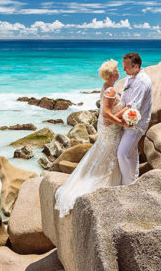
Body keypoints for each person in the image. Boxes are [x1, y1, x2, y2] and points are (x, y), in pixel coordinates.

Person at [54, 59, 129, 217]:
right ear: (111, 74)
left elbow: (106, 113)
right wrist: (122, 121)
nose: (118, 72)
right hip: (110, 128)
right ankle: (103, 188)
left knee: (103, 154)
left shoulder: (106, 88)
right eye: (116, 70)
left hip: (104, 127)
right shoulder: (111, 91)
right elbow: (107, 114)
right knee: (109, 155)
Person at [116, 52, 153, 185]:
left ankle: (127, 185)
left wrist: (113, 118)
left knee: (122, 154)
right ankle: (133, 182)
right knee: (131, 154)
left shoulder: (142, 81)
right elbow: (124, 99)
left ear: (136, 66)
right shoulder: (130, 77)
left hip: (136, 123)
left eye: (126, 67)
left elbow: (133, 106)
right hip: (128, 121)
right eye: (123, 66)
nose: (123, 69)